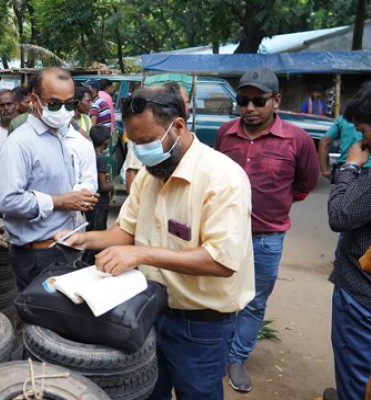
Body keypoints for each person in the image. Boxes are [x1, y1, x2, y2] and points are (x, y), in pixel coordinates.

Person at [55, 86, 255, 400]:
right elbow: (127, 233)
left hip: (199, 324)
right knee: (149, 391)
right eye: (133, 143)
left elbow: (221, 261)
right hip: (148, 311)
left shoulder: (223, 178)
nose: (140, 151)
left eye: (147, 142)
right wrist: (84, 238)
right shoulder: (150, 176)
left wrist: (140, 253)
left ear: (177, 126)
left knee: (198, 394)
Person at [214, 67, 319, 393]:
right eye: (243, 100)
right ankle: (217, 353)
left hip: (266, 240)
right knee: (220, 296)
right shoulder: (225, 134)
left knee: (254, 302)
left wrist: (272, 208)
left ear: (276, 100)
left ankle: (237, 357)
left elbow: (304, 185)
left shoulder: (297, 140)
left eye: (258, 101)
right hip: (224, 235)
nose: (249, 108)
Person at [0, 68, 99, 290]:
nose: (62, 111)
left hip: (62, 248)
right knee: (42, 322)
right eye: (54, 104)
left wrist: (79, 196)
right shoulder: (20, 143)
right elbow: (8, 201)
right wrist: (60, 201)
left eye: (69, 104)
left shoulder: (57, 136)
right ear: (34, 100)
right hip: (38, 255)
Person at [326, 81, 371, 400]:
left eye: (364, 131)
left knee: (357, 377)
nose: (362, 140)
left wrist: (351, 165)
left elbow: (340, 215)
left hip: (361, 295)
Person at [82, 125, 113, 265]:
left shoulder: (89, 154)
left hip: (92, 202)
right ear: (106, 141)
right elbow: (104, 186)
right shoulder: (100, 159)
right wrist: (112, 186)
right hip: (100, 203)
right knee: (98, 234)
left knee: (91, 230)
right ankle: (87, 263)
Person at [319, 115, 371, 181]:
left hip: (345, 168)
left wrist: (324, 170)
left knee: (341, 190)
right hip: (369, 168)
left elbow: (324, 142)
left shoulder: (343, 118)